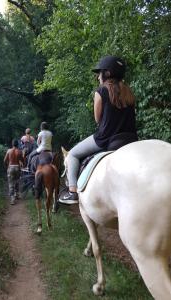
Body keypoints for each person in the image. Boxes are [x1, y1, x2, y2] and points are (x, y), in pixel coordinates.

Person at [59, 55, 138, 205]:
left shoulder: (101, 91)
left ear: (107, 73)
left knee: (73, 154)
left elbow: (98, 119)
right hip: (130, 138)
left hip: (106, 138)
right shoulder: (128, 91)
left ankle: (72, 191)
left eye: (99, 73)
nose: (97, 77)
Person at [4, 139, 23, 205]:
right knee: (17, 181)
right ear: (17, 144)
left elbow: (5, 160)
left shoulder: (9, 151)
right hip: (17, 167)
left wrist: (8, 166)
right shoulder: (19, 151)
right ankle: (17, 194)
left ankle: (12, 199)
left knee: (11, 183)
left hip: (10, 167)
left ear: (12, 144)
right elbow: (22, 160)